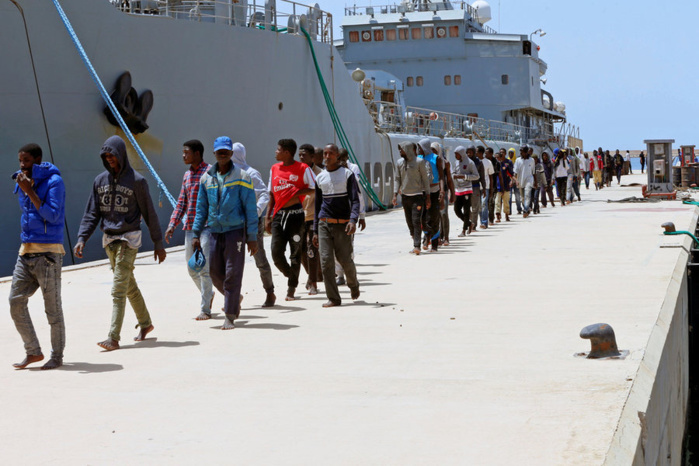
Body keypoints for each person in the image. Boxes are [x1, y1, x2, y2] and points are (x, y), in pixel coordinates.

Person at [75, 135, 166, 351]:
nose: (110, 159)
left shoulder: (137, 181)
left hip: (128, 240)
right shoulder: (99, 181)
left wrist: (158, 242)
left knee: (117, 289)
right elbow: (91, 213)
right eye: (106, 156)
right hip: (110, 242)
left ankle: (113, 337)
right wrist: (81, 238)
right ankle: (146, 324)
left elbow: (150, 213)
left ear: (121, 154)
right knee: (128, 286)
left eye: (112, 155)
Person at [191, 136, 258, 330]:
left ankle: (229, 315)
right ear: (214, 153)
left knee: (232, 273)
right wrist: (196, 233)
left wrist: (252, 237)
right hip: (214, 232)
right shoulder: (207, 178)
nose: (223, 154)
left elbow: (251, 209)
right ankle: (234, 298)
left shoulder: (243, 177)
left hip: (235, 232)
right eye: (219, 151)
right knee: (214, 273)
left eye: (226, 151)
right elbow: (201, 208)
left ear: (231, 153)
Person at [9, 143, 66, 370]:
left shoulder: (55, 182)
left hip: (48, 254)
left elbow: (52, 216)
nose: (23, 165)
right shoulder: (23, 180)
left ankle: (57, 356)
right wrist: (26, 188)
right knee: (15, 301)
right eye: (20, 161)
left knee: (52, 309)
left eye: (27, 161)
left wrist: (30, 192)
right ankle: (33, 351)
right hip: (26, 252)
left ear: (38, 160)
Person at [165, 140, 214, 320]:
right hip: (190, 229)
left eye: (186, 152)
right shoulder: (186, 176)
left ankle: (205, 309)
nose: (183, 156)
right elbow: (181, 202)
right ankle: (208, 295)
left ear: (197, 153)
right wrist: (172, 224)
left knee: (205, 269)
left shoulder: (210, 172)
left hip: (207, 228)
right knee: (191, 268)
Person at [265, 139, 316, 301]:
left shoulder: (303, 168)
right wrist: (267, 217)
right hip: (279, 216)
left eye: (278, 149)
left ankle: (291, 289)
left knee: (295, 254)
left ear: (286, 152)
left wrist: (298, 193)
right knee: (276, 253)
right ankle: (291, 275)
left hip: (296, 216)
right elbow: (271, 194)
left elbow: (315, 188)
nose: (275, 152)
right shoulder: (274, 169)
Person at [312, 144, 361, 307]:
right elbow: (317, 205)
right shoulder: (320, 177)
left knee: (345, 260)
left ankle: (353, 285)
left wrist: (353, 219)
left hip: (343, 225)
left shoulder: (347, 175)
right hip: (324, 223)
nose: (326, 156)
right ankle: (333, 298)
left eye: (330, 154)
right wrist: (315, 231)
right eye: (324, 153)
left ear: (337, 157)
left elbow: (354, 200)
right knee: (326, 262)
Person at [232, 142, 276, 307]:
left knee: (259, 258)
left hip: (251, 223)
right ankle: (233, 298)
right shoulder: (227, 173)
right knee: (233, 261)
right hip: (233, 223)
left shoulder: (251, 173)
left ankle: (270, 291)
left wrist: (256, 212)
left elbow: (264, 194)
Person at [393, 142, 430, 254]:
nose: (400, 152)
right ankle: (416, 241)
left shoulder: (419, 162)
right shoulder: (399, 163)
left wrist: (428, 196)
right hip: (405, 197)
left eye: (402, 150)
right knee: (409, 222)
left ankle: (417, 246)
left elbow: (425, 179)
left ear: (408, 149)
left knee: (416, 221)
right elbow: (397, 179)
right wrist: (395, 194)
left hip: (417, 196)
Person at [336, 148, 367, 285]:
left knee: (348, 246)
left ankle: (348, 273)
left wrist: (361, 216)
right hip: (332, 216)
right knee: (333, 248)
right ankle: (339, 274)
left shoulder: (352, 173)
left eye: (344, 160)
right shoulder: (328, 174)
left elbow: (358, 196)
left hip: (349, 216)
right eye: (340, 160)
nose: (342, 163)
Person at [298, 143, 323, 295]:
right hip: (298, 215)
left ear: (312, 157)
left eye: (304, 155)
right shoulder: (296, 172)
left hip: (314, 216)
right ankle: (311, 275)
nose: (301, 158)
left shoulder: (320, 174)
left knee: (311, 248)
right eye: (299, 155)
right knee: (300, 250)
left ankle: (313, 283)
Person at [417, 138, 445, 251]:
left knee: (434, 217)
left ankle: (434, 244)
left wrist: (442, 191)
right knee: (421, 217)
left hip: (434, 190)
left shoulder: (436, 158)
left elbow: (442, 176)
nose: (419, 149)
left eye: (420, 147)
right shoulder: (418, 159)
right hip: (421, 190)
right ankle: (427, 234)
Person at [452, 144, 480, 235]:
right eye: (455, 154)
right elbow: (453, 172)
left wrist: (464, 176)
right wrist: (454, 176)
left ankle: (464, 230)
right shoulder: (455, 162)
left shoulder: (470, 163)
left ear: (461, 154)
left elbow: (476, 176)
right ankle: (469, 224)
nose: (455, 156)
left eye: (457, 154)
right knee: (456, 210)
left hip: (467, 189)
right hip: (458, 189)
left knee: (466, 210)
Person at [432, 142, 455, 246]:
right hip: (432, 191)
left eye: (435, 151)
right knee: (435, 215)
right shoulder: (429, 161)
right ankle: (437, 237)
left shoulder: (445, 163)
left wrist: (452, 193)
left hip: (443, 190)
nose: (433, 153)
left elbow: (449, 179)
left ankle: (446, 237)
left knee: (444, 214)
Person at [467, 145, 485, 233]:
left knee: (475, 207)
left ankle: (473, 225)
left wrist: (484, 188)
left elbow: (482, 177)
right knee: (465, 207)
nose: (468, 153)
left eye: (470, 151)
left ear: (474, 152)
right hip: (465, 187)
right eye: (467, 152)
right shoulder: (464, 161)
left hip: (475, 187)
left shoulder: (479, 162)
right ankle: (470, 222)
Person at [513, 146, 535, 217]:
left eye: (522, 151)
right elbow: (515, 172)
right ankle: (527, 208)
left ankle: (525, 210)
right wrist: (514, 180)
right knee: (523, 197)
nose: (520, 153)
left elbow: (533, 172)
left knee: (527, 195)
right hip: (520, 181)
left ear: (526, 152)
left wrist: (535, 182)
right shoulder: (518, 160)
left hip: (529, 180)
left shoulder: (531, 160)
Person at [495, 148, 514, 222]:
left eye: (503, 152)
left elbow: (511, 173)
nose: (501, 154)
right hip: (497, 185)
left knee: (506, 202)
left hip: (506, 185)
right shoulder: (496, 163)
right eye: (500, 152)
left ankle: (506, 215)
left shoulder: (508, 162)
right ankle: (498, 217)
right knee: (497, 202)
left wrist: (511, 181)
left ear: (505, 154)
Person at [478, 145, 495, 228]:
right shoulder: (474, 162)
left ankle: (484, 222)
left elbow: (491, 177)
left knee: (484, 204)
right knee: (479, 205)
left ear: (480, 153)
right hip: (476, 187)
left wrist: (491, 190)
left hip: (486, 187)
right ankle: (481, 221)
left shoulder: (488, 162)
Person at [485, 147, 500, 225]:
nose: (485, 155)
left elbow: (498, 175)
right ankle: (487, 217)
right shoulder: (484, 161)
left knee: (491, 202)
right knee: (485, 203)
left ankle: (491, 219)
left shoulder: (496, 163)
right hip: (485, 185)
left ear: (491, 154)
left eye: (486, 153)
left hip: (493, 185)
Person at [507, 148, 522, 215]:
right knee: (509, 197)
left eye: (512, 153)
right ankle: (509, 210)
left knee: (517, 196)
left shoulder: (517, 161)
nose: (510, 154)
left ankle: (519, 209)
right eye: (509, 153)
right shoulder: (506, 161)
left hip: (516, 181)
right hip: (509, 182)